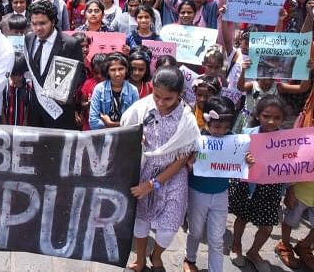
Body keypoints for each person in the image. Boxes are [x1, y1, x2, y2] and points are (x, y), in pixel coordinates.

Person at [120, 66, 200, 272]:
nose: (161, 103)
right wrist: (136, 137)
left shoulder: (187, 120)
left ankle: (156, 256)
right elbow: (127, 130)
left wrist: (153, 184)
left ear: (179, 95)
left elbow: (182, 159)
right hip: (144, 169)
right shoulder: (142, 108)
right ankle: (140, 259)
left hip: (173, 176)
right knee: (141, 221)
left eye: (168, 99)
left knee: (169, 227)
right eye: (157, 96)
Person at [183, 96, 255, 272]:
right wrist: (190, 163)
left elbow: (240, 166)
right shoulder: (197, 139)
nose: (221, 131)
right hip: (197, 192)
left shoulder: (235, 142)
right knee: (195, 231)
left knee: (217, 238)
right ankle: (189, 259)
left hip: (221, 194)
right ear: (207, 121)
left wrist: (247, 161)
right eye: (216, 126)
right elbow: (186, 168)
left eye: (226, 127)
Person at [228, 95, 289, 272]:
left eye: (277, 118)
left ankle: (254, 252)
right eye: (266, 116)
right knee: (242, 217)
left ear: (283, 119)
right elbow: (234, 159)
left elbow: (291, 165)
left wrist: (289, 190)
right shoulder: (248, 135)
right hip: (248, 186)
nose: (271, 121)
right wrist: (244, 159)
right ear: (258, 115)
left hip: (271, 188)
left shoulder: (287, 139)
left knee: (267, 225)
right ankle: (236, 246)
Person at [25, 0, 85, 129]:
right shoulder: (29, 39)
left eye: (42, 23)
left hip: (59, 109)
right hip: (36, 108)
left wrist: (66, 92)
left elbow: (81, 75)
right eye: (34, 24)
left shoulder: (70, 44)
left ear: (53, 22)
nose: (38, 28)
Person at [89, 53, 138, 129]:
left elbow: (134, 122)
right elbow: (93, 121)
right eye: (113, 70)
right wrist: (120, 125)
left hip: (125, 136)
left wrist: (111, 124)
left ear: (126, 70)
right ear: (107, 71)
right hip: (103, 136)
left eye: (121, 69)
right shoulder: (99, 89)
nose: (117, 74)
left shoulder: (133, 90)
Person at [79, 52, 107, 130]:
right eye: (96, 73)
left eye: (103, 73)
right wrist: (89, 103)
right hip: (89, 126)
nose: (99, 76)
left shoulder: (113, 85)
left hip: (108, 126)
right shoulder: (88, 83)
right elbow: (82, 103)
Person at [1, 53, 31, 126]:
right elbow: (1, 108)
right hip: (7, 125)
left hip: (21, 127)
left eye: (21, 74)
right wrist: (5, 124)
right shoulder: (5, 87)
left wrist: (25, 122)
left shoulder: (28, 88)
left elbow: (28, 107)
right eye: (13, 74)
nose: (19, 78)